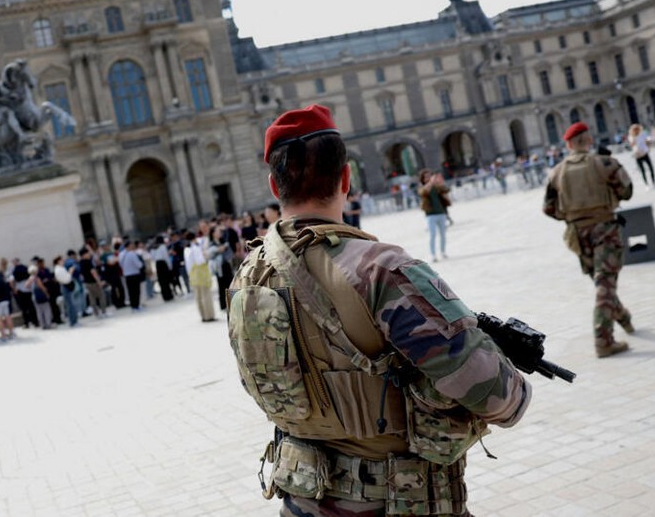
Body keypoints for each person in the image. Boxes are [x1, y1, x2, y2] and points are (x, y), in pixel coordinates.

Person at [227, 104, 531, 516]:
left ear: (274, 185)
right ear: (346, 177)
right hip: (393, 502)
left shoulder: (248, 275)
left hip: (301, 500)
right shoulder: (380, 270)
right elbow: (498, 399)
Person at [543, 122, 635, 358]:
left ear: (568, 144)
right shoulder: (604, 163)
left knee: (601, 281)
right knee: (605, 282)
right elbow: (627, 191)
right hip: (605, 228)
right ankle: (603, 340)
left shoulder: (556, 172)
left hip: (577, 234)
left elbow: (548, 208)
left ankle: (623, 316)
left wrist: (571, 216)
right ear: (589, 140)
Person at [418, 169, 451, 262]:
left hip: (441, 212)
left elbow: (447, 190)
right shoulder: (422, 187)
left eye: (430, 176)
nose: (429, 178)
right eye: (427, 177)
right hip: (430, 215)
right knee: (432, 235)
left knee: (443, 234)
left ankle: (443, 251)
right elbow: (424, 192)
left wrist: (440, 183)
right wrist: (431, 183)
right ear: (423, 179)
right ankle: (433, 254)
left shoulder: (436, 186)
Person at [184, 231, 216, 322]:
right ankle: (209, 315)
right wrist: (205, 255)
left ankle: (203, 316)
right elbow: (200, 261)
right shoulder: (196, 248)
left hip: (193, 274)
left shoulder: (186, 249)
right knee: (206, 295)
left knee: (198, 297)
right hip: (201, 272)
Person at [628, 123, 655, 189]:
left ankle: (653, 182)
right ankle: (646, 185)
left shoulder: (642, 134)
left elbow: (647, 142)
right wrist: (634, 137)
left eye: (637, 129)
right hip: (638, 155)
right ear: (632, 130)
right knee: (642, 170)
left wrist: (648, 145)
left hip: (645, 153)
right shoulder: (631, 136)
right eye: (634, 129)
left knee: (651, 168)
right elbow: (631, 145)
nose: (636, 130)